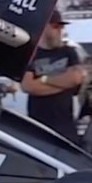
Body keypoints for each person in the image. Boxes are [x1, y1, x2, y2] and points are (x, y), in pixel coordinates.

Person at [21, 9, 85, 142]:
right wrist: (63, 83)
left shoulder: (69, 52)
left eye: (61, 27)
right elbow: (28, 86)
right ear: (44, 27)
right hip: (38, 125)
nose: (60, 31)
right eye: (55, 27)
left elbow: (75, 79)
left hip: (65, 125)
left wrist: (43, 79)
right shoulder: (32, 53)